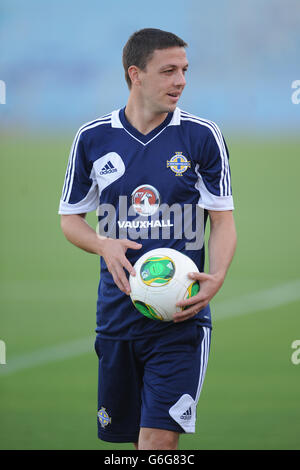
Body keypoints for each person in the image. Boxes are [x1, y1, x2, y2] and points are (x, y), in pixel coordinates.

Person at [58, 28, 237, 450]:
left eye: (185, 70)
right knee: (124, 443)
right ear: (135, 74)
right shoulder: (93, 138)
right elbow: (70, 219)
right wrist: (103, 244)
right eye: (169, 71)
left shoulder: (201, 136)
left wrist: (219, 274)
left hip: (180, 318)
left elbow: (223, 220)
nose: (181, 81)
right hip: (117, 317)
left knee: (158, 443)